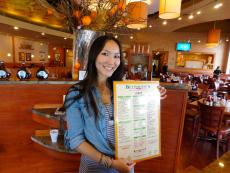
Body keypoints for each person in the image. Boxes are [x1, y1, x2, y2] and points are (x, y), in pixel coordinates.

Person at [64, 35, 167, 173]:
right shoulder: (77, 93)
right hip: (95, 167)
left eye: (117, 56)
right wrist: (112, 163)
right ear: (94, 56)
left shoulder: (123, 89)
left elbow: (138, 115)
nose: (112, 61)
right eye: (105, 54)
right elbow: (76, 141)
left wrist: (153, 96)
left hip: (126, 164)